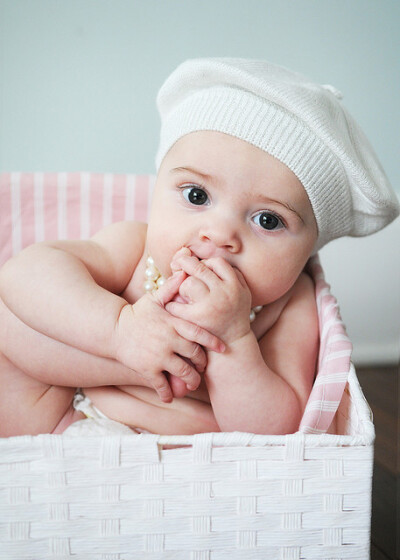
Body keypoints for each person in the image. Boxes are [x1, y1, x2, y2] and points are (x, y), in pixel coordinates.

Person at [0, 58, 398, 437]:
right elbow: (23, 274)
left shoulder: (289, 306)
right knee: (11, 321)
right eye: (196, 195)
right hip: (65, 418)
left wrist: (235, 339)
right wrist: (119, 332)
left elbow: (279, 428)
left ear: (309, 247)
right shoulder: (136, 248)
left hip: (185, 459)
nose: (220, 233)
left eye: (268, 220)